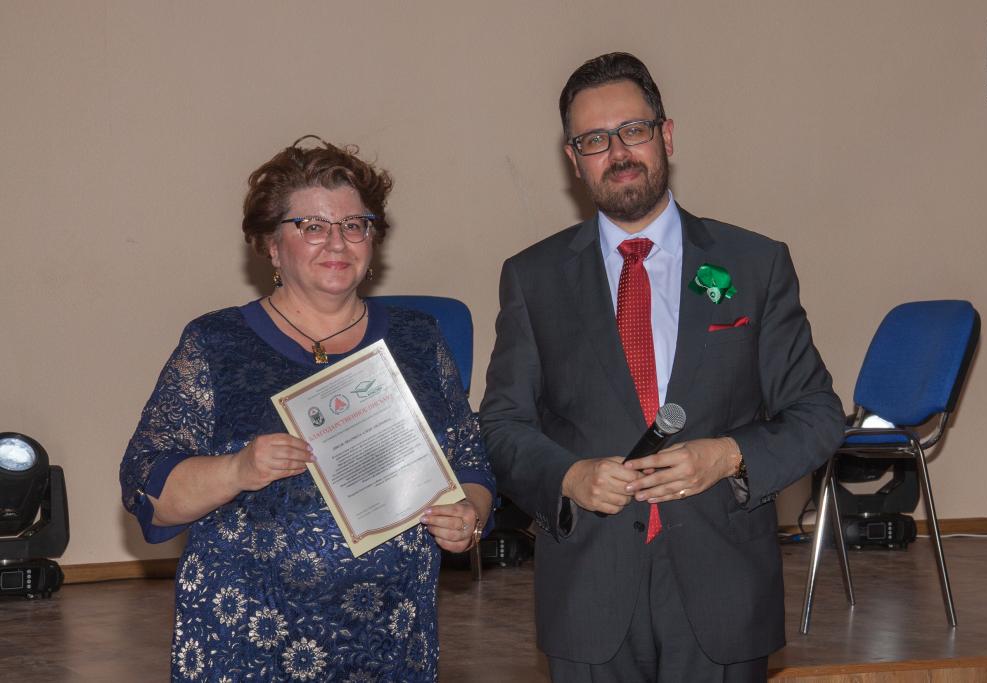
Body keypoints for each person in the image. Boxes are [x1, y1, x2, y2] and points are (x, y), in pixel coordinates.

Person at [480, 53, 845, 681]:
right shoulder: (532, 278)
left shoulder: (754, 265)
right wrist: (568, 478)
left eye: (634, 130)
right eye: (595, 140)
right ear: (573, 159)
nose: (618, 152)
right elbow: (502, 425)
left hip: (722, 586)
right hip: (589, 591)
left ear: (666, 135)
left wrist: (728, 456)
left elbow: (818, 414)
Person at [120, 136, 494, 682]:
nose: (337, 242)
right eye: (312, 226)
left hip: (391, 642)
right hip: (246, 644)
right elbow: (147, 488)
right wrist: (237, 469)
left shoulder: (418, 340)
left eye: (354, 224)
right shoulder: (216, 343)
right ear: (271, 245)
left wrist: (469, 518)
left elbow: (470, 464)